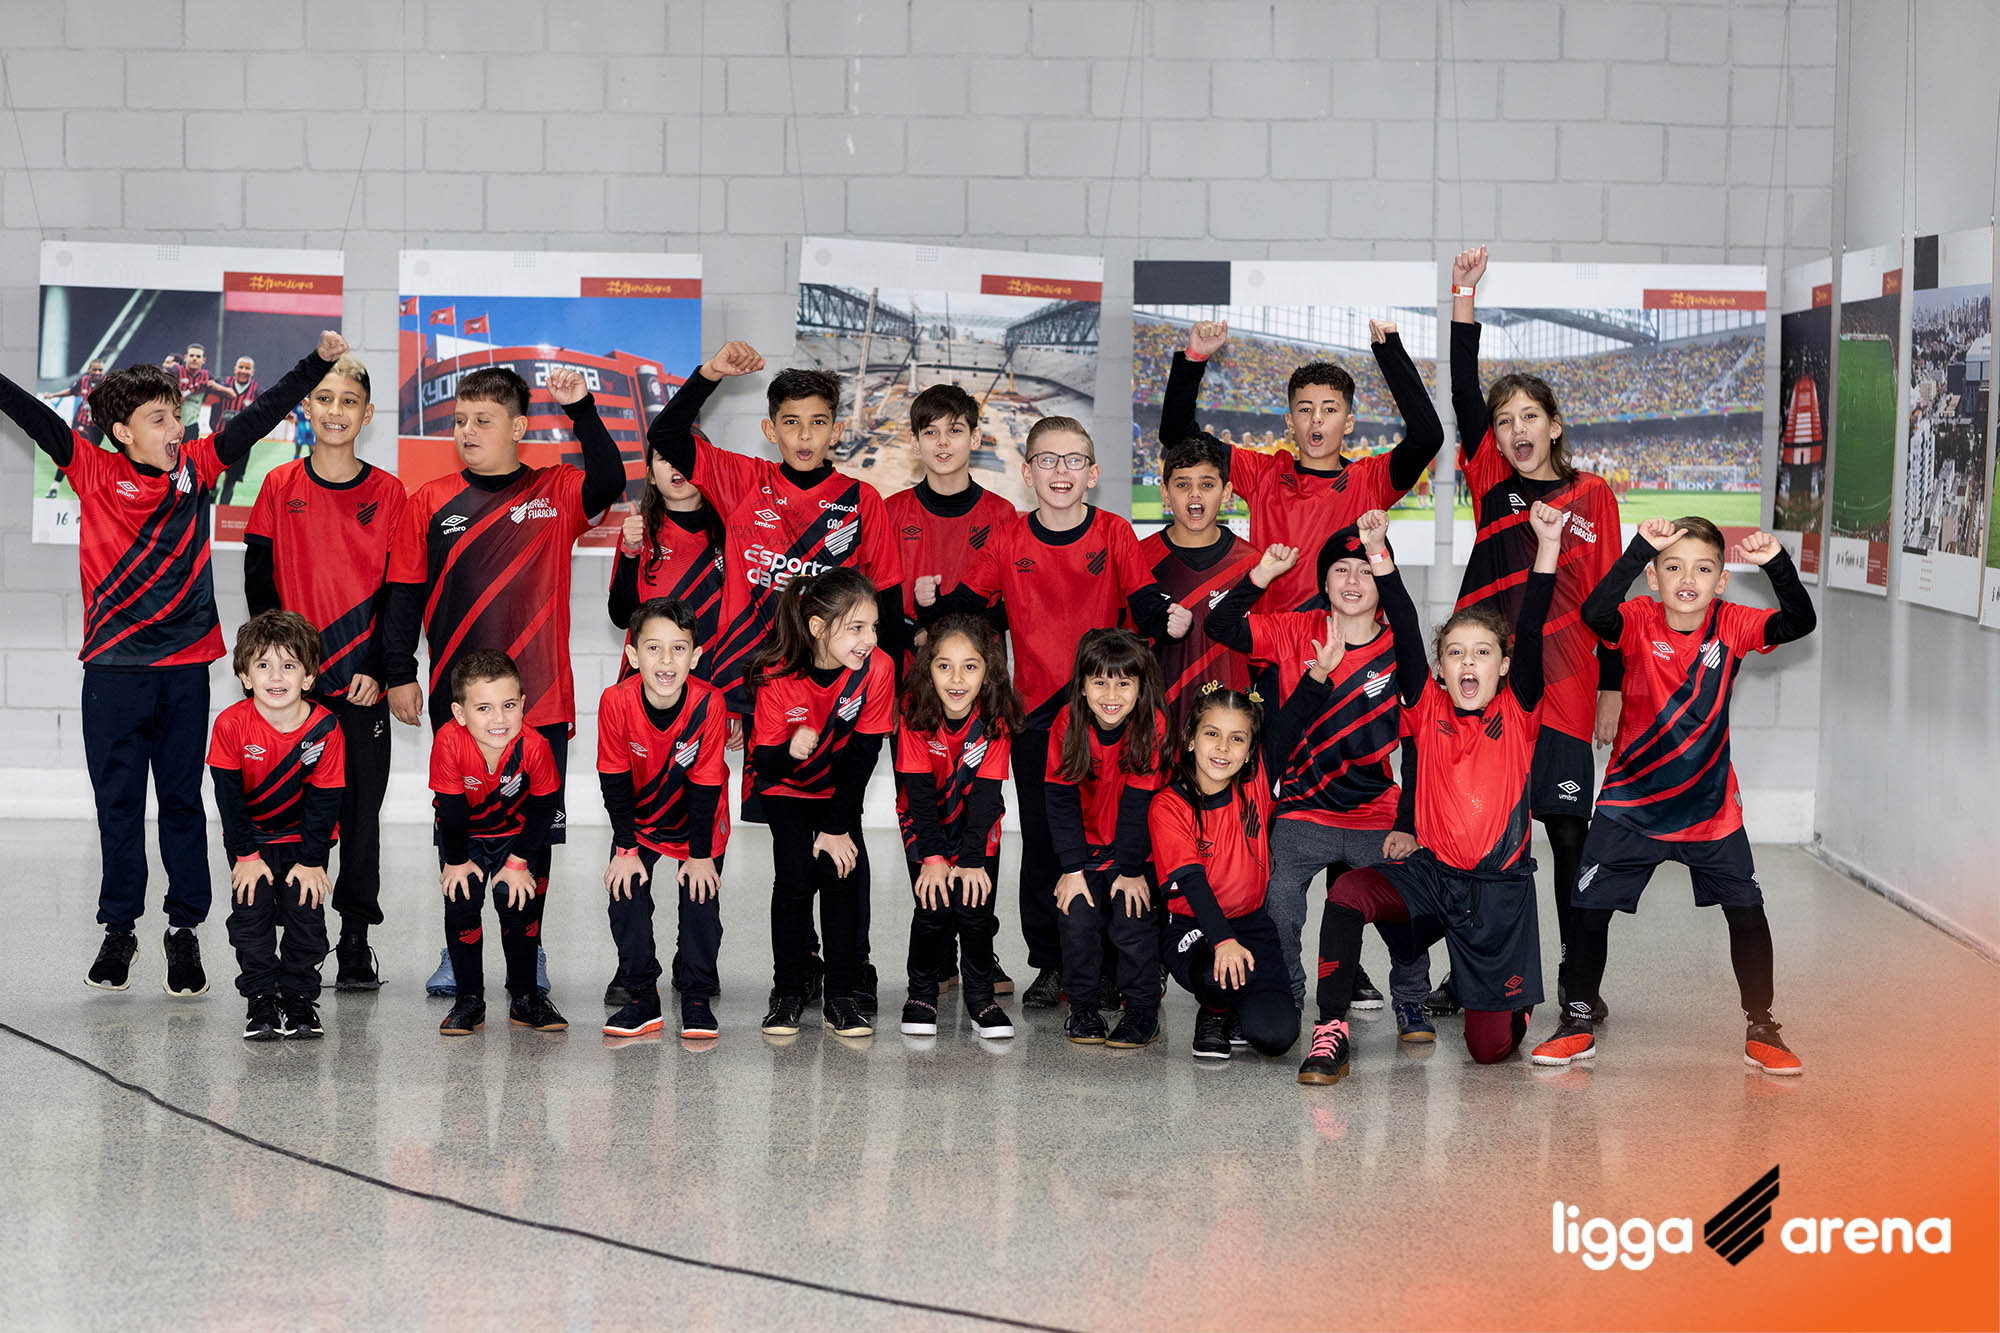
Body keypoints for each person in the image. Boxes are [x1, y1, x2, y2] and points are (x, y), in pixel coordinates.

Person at [0, 329, 345, 994]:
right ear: (122, 432)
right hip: (112, 671)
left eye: (177, 415)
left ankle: (184, 930)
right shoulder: (91, 468)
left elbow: (259, 415)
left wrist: (315, 364)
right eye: (159, 419)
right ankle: (119, 928)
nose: (175, 428)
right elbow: (33, 416)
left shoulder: (198, 466)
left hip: (186, 670)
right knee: (119, 805)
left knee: (182, 803)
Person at [1530, 520, 1817, 1075]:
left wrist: (1777, 563)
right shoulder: (1637, 618)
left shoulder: (1733, 623)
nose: (1688, 579)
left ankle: (1762, 1025)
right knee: (1588, 910)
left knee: (1747, 914)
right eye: (1674, 566)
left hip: (1710, 811)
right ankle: (1577, 1020)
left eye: (1703, 569)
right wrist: (1639, 545)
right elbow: (1595, 613)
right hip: (1629, 804)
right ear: (1653, 577)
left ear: (1722, 582)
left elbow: (1800, 621)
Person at [1300, 500, 1567, 1086]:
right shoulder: (1425, 706)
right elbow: (1401, 615)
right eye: (1455, 653)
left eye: (1482, 653)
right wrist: (1377, 552)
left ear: (1503, 667)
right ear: (1440, 669)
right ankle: (1330, 1028)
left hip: (1497, 891)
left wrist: (1548, 546)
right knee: (1347, 892)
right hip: (1433, 875)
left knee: (1488, 1051)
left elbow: (1530, 627)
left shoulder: (1519, 712)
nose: (1468, 662)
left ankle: (1509, 1004)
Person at [381, 365, 625, 997]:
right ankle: (457, 946)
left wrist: (583, 409)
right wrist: (399, 672)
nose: (467, 431)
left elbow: (610, 480)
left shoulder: (555, 490)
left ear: (517, 428)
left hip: (539, 697)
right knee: (455, 824)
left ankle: (529, 947)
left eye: (483, 421)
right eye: (460, 420)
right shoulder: (428, 501)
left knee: (533, 830)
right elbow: (403, 594)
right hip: (457, 705)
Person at [1446, 246, 1623, 1020]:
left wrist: (1613, 686)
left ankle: (1580, 984)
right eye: (1503, 420)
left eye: (1528, 416)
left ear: (1553, 426)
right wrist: (1463, 297)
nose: (1516, 428)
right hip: (1494, 692)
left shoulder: (1594, 495)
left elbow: (1612, 600)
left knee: (1569, 840)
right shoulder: (1491, 481)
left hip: (1569, 691)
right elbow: (1461, 388)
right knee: (1486, 840)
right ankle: (1478, 973)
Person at [945, 417, 1173, 1009]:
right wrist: (927, 615)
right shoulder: (1007, 538)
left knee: (1121, 833)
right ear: (1028, 473)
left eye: (1074, 460)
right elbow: (969, 612)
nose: (1061, 471)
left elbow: (1146, 606)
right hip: (1037, 721)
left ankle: (1122, 963)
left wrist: (1167, 618)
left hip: (1110, 712)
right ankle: (1053, 964)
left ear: (1092, 473)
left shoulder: (1115, 531)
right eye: (1047, 460)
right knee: (1048, 842)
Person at [1204, 516, 1434, 1040]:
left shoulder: (1399, 649)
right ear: (1324, 583)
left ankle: (1412, 1002)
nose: (1353, 581)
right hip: (1302, 812)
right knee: (1278, 905)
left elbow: (1418, 744)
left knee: (1409, 904)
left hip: (1375, 814)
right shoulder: (1293, 630)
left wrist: (1407, 823)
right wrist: (1261, 575)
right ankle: (1285, 995)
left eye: (1365, 571)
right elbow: (1219, 626)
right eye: (1340, 570)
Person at [244, 354, 404, 990]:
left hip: (358, 686)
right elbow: (259, 584)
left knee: (360, 819)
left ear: (367, 414)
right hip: (294, 691)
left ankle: (356, 940)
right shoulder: (278, 485)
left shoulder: (389, 493)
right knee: (290, 818)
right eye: (325, 398)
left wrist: (380, 668)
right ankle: (293, 936)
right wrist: (279, 669)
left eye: (349, 401)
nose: (336, 410)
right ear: (306, 408)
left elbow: (401, 591)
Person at [646, 341, 907, 722]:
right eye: (791, 422)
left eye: (818, 422)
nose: (805, 436)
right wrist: (710, 373)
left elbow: (889, 600)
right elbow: (665, 435)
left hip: (835, 684)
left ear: (836, 431)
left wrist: (893, 691)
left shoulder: (862, 499)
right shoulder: (743, 481)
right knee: (764, 766)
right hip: (753, 678)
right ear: (770, 429)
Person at [1160, 318, 1444, 616]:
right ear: (1290, 422)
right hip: (1273, 640)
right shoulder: (1262, 473)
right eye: (1305, 409)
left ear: (1349, 423)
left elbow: (1428, 437)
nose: (1316, 418)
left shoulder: (1371, 479)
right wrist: (1194, 358)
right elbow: (1176, 436)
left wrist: (1390, 353)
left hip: (1348, 642)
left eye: (1330, 409)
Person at [746, 569, 896, 1039]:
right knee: (794, 879)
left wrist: (836, 827)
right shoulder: (777, 673)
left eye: (873, 627)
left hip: (838, 792)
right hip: (785, 790)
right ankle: (788, 992)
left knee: (840, 874)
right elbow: (764, 763)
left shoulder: (879, 669)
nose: (869, 639)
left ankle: (842, 997)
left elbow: (863, 756)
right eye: (856, 628)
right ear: (817, 627)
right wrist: (790, 748)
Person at [208, 611, 346, 1042]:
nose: (275, 676)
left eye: (289, 665)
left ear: (308, 677)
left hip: (305, 842)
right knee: (252, 920)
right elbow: (229, 800)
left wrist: (311, 861)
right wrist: (246, 856)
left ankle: (299, 997)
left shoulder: (326, 728)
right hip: (251, 841)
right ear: (245, 676)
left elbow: (325, 802)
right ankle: (261, 999)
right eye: (263, 665)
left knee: (306, 920)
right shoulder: (230, 725)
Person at [597, 598, 731, 1040]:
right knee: (625, 892)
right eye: (654, 648)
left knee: (700, 901)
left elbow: (707, 782)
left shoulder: (710, 703)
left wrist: (699, 856)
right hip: (639, 823)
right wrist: (625, 848)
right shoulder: (615, 701)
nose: (667, 660)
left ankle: (696, 993)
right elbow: (613, 778)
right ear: (633, 655)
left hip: (699, 821)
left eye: (679, 648)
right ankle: (642, 995)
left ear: (695, 656)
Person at [1153, 686, 1301, 1062]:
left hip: (1252, 924)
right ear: (1190, 739)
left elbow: (1291, 721)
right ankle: (1215, 1012)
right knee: (1218, 975)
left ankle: (1237, 1006)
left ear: (1250, 751)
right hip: (1194, 929)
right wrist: (1223, 941)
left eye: (1237, 739)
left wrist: (1319, 673)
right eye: (1212, 734)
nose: (1223, 747)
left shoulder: (1256, 784)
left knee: (1276, 1036)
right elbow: (1192, 882)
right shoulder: (1168, 806)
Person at [893, 614, 1021, 1041]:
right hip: (924, 822)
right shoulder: (913, 710)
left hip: (976, 826)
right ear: (928, 668)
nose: (956, 679)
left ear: (988, 671)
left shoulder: (997, 715)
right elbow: (918, 792)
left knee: (975, 911)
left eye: (970, 666)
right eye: (944, 665)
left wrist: (970, 860)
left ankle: (981, 1000)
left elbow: (987, 795)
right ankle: (921, 995)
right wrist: (932, 857)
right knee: (931, 910)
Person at [430, 650, 566, 1037]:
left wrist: (519, 861)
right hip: (464, 838)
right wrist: (456, 861)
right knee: (462, 908)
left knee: (520, 910)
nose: (499, 719)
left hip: (520, 838)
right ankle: (469, 1000)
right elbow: (451, 811)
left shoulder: (535, 746)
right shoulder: (448, 742)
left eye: (508, 705)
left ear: (522, 704)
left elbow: (544, 808)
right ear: (460, 714)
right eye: (484, 708)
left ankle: (525, 999)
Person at [1046, 628, 1171, 1049]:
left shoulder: (1152, 725)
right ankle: (1083, 1008)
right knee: (1076, 918)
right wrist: (1071, 870)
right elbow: (1060, 800)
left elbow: (1139, 805)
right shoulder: (1067, 723)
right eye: (1099, 682)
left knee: (1132, 923)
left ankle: (1142, 1012)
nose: (1111, 694)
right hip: (1085, 851)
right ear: (1082, 687)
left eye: (1123, 683)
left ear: (1140, 688)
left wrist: (1131, 871)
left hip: (1136, 851)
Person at [1137, 432, 1258, 727]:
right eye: (1182, 485)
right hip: (1156, 730)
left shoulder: (1253, 564)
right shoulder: (1138, 559)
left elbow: (1264, 655)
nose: (1195, 495)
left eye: (1206, 485)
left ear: (1226, 492)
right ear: (1165, 492)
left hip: (1229, 733)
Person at [891, 382, 1019, 658]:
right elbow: (876, 600)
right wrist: (915, 634)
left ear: (975, 438)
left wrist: (955, 633)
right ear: (915, 442)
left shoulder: (1002, 514)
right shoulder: (891, 511)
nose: (942, 442)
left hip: (981, 667)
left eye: (955, 430)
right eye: (930, 432)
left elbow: (1016, 604)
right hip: (910, 668)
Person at [607, 432, 725, 685]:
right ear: (650, 475)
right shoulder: (638, 531)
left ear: (707, 466)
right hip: (649, 684)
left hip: (713, 680)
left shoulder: (731, 532)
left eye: (685, 454)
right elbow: (620, 617)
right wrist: (630, 552)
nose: (675, 464)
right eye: (664, 458)